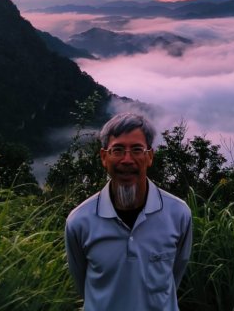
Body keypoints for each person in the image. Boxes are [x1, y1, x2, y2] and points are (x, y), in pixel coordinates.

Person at [65, 113, 193, 310]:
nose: (127, 160)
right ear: (104, 157)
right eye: (117, 150)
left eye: (136, 150)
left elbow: (175, 275)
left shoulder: (178, 214)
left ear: (149, 156)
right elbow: (82, 282)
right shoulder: (80, 221)